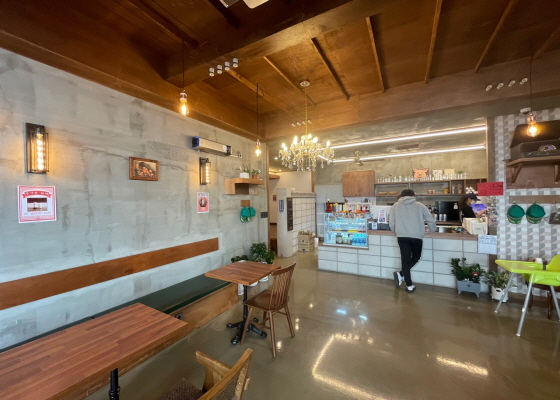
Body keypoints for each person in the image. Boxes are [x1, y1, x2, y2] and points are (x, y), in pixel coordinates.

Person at [389, 189, 436, 293]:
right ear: (413, 196)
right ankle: (402, 276)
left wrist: (396, 231)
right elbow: (430, 219)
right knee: (416, 257)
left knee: (405, 260)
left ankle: (408, 284)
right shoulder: (420, 205)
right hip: (416, 236)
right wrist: (432, 230)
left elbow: (391, 222)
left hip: (401, 237)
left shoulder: (395, 206)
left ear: (401, 196)